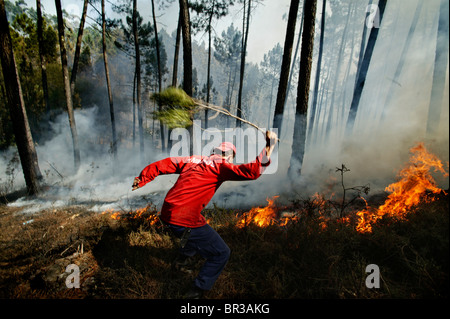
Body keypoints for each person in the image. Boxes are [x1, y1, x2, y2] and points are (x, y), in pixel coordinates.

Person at [132, 130, 278, 298]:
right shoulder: (221, 166)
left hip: (167, 213)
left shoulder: (192, 160)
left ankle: (182, 260)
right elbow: (253, 171)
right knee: (222, 253)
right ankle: (196, 292)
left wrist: (142, 178)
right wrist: (270, 145)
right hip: (182, 218)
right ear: (228, 157)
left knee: (197, 228)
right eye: (231, 158)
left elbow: (163, 164)